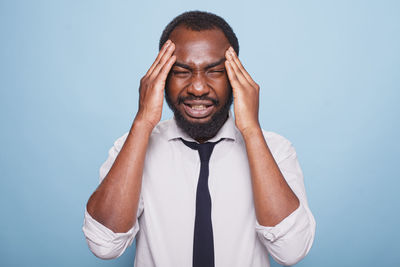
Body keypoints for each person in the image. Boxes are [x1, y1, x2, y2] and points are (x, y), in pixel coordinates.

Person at [82, 11, 315, 267]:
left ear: (235, 77)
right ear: (161, 77)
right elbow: (104, 245)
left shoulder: (276, 150)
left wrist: (251, 131)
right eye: (181, 72)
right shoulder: (132, 147)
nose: (198, 88)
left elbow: (291, 251)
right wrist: (143, 122)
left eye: (214, 71)